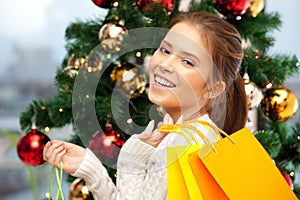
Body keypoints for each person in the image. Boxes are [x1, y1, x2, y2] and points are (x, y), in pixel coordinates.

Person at [43, 12, 248, 200]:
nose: (165, 64)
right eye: (165, 50)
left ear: (213, 88)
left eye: (188, 61)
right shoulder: (183, 133)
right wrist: (90, 167)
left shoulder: (186, 144)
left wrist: (130, 158)